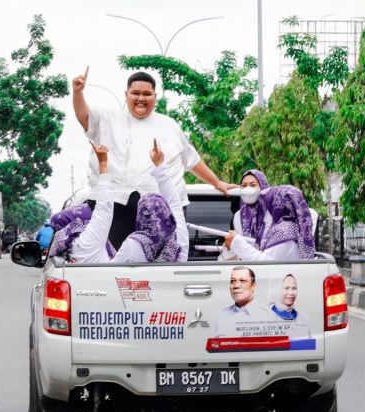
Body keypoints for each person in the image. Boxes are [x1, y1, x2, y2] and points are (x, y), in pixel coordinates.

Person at [72, 67, 236, 249]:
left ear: (155, 97)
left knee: (163, 262)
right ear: (126, 94)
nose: (141, 98)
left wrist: (217, 183)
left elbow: (191, 159)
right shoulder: (108, 118)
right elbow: (83, 116)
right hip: (116, 205)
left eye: (146, 94)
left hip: (163, 208)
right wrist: (78, 92)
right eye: (135, 93)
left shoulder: (169, 125)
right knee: (115, 264)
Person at [49, 139, 188, 263]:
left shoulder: (133, 247)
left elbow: (115, 271)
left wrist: (103, 166)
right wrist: (160, 166)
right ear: (167, 217)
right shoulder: (179, 243)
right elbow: (175, 204)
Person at [223, 184, 316, 261]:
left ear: (278, 205)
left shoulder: (284, 229)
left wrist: (236, 241)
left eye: (268, 205)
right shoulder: (298, 226)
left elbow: (265, 262)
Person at [214, 266, 268, 338]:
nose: (236, 286)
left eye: (242, 281)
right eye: (232, 281)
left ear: (253, 286)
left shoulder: (268, 316)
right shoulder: (221, 316)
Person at [267, 274, 311, 338]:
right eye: (286, 288)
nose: (291, 293)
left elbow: (309, 345)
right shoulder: (266, 318)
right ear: (276, 290)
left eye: (294, 288)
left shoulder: (303, 318)